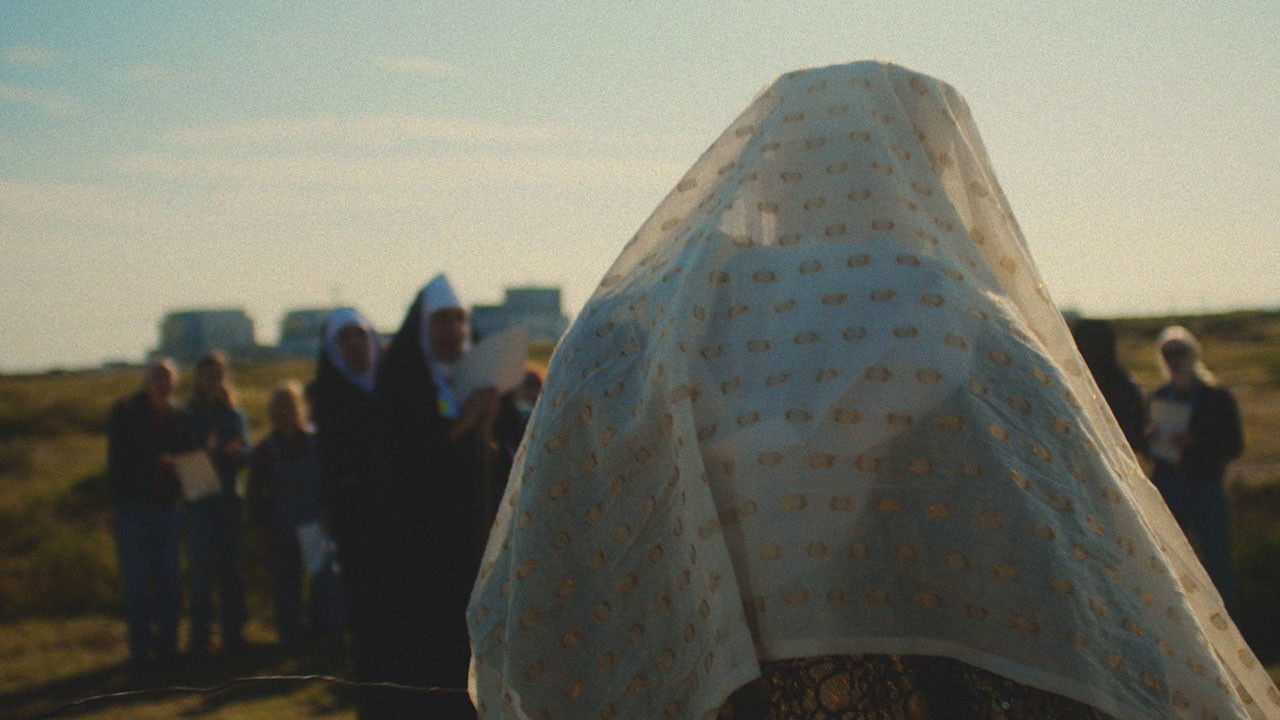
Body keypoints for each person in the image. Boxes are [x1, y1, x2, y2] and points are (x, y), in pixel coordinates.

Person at [468, 61, 1278, 720]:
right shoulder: (966, 323)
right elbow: (1099, 590)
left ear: (769, 170)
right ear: (917, 170)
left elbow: (540, 589)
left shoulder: (628, 328)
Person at [359, 274, 497, 720]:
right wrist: (463, 422)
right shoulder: (402, 383)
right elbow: (404, 460)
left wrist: (490, 423)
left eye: (460, 319)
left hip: (471, 537)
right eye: (442, 320)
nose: (453, 329)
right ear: (424, 327)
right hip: (417, 543)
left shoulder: (478, 377)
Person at [307, 308, 381, 688]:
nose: (354, 343)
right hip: (354, 513)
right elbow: (329, 464)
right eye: (345, 338)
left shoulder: (394, 386)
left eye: (359, 335)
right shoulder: (329, 396)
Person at [1147, 325, 1244, 614]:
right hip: (1169, 483)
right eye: (1168, 353)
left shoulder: (1217, 397)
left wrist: (1197, 443)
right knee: (1167, 560)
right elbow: (1142, 445)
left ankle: (1230, 629)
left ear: (1194, 355)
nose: (1174, 359)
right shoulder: (1159, 397)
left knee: (1215, 561)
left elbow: (1234, 445)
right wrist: (1149, 437)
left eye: (1181, 352)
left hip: (1204, 483)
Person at [106, 357, 195, 667]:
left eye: (168, 377)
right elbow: (116, 463)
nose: (163, 383)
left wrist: (177, 467)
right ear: (145, 381)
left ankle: (168, 648)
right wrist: (151, 466)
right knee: (137, 581)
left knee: (170, 578)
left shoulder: (181, 416)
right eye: (157, 376)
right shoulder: (126, 412)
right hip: (133, 507)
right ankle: (141, 650)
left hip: (168, 508)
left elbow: (189, 458)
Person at [247, 381, 344, 649]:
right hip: (282, 527)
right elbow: (255, 493)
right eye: (279, 407)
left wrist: (329, 515)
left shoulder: (316, 441)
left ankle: (330, 638)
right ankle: (291, 641)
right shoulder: (265, 450)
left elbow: (330, 483)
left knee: (327, 583)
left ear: (299, 408)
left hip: (317, 525)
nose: (285, 412)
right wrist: (261, 527)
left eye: (290, 406)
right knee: (286, 586)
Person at [183, 351, 250, 654]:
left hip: (228, 499)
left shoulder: (234, 414)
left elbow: (246, 453)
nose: (213, 380)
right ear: (198, 377)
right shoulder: (187, 414)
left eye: (219, 374)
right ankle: (200, 636)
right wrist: (204, 449)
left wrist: (238, 452)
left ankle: (233, 634)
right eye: (208, 374)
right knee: (199, 570)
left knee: (231, 570)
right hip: (198, 500)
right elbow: (180, 452)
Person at [1071, 318, 1149, 454]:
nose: (1092, 347)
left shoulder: (1124, 386)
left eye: (1096, 341)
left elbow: (1134, 437)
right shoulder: (1072, 382)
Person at [481, 368, 542, 529]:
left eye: (536, 385)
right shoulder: (505, 422)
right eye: (527, 385)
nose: (532, 391)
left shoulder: (537, 420)